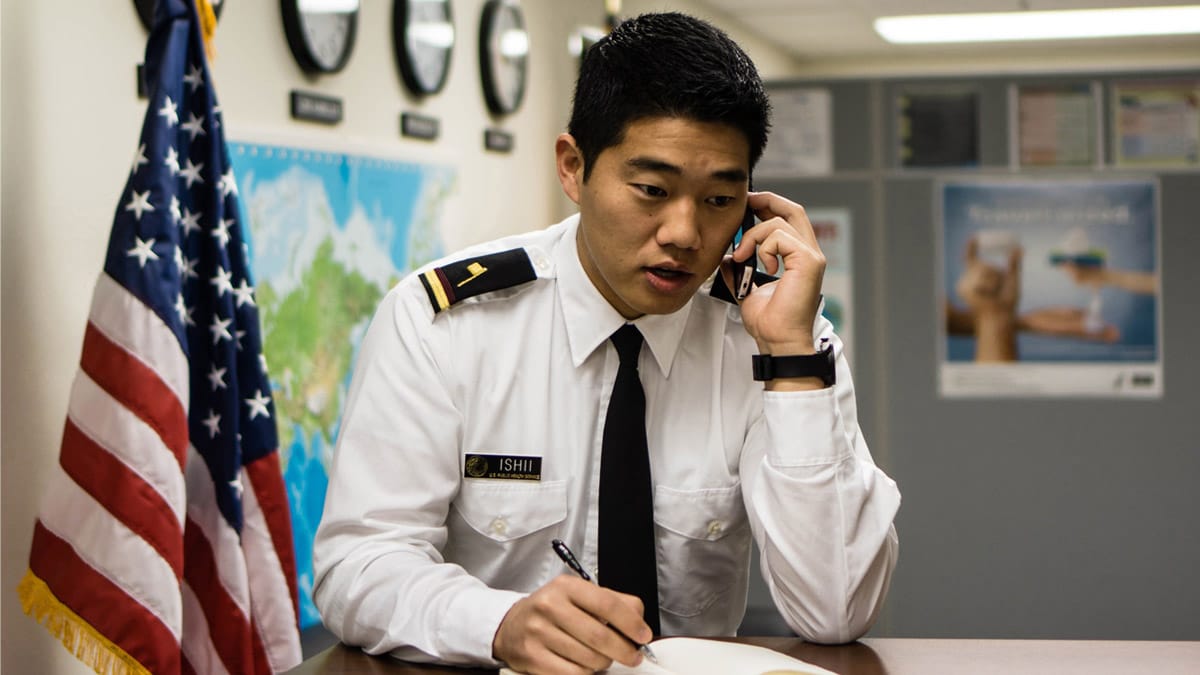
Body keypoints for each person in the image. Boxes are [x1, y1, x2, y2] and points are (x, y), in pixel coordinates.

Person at [312, 12, 900, 675]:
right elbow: (357, 564)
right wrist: (499, 622)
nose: (683, 233)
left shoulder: (776, 338)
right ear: (573, 167)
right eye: (652, 190)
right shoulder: (443, 322)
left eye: (717, 200)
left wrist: (791, 358)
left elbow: (837, 611)